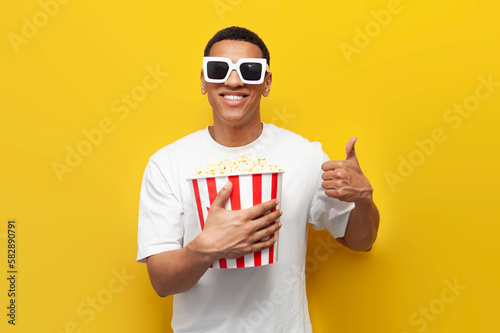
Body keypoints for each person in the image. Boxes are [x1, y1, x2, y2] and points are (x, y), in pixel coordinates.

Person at [136, 26, 379, 332]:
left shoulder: (304, 155)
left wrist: (363, 199)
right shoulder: (167, 164)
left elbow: (361, 241)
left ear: (266, 83)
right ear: (203, 80)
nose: (234, 80)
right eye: (219, 69)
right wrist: (206, 249)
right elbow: (161, 282)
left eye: (250, 70)